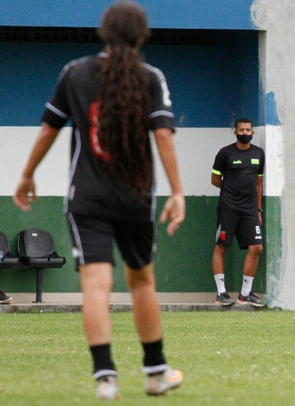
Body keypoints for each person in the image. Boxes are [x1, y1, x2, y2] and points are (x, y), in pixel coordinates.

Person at [13, 1, 184, 399]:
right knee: (141, 282)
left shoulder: (75, 73)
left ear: (103, 33)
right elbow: (163, 136)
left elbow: (48, 130)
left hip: (85, 199)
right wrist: (178, 191)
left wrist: (27, 174)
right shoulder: (151, 78)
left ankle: (105, 378)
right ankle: (156, 371)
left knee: (95, 285)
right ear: (143, 36)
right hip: (135, 199)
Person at [211, 118, 266, 307]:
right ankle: (221, 293)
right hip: (228, 208)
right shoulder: (225, 153)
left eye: (248, 130)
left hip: (250, 210)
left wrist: (258, 210)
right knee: (221, 247)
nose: (245, 133)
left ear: (252, 132)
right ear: (235, 132)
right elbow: (215, 180)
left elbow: (259, 184)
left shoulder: (259, 153)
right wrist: (232, 188)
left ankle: (245, 294)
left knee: (256, 248)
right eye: (241, 130)